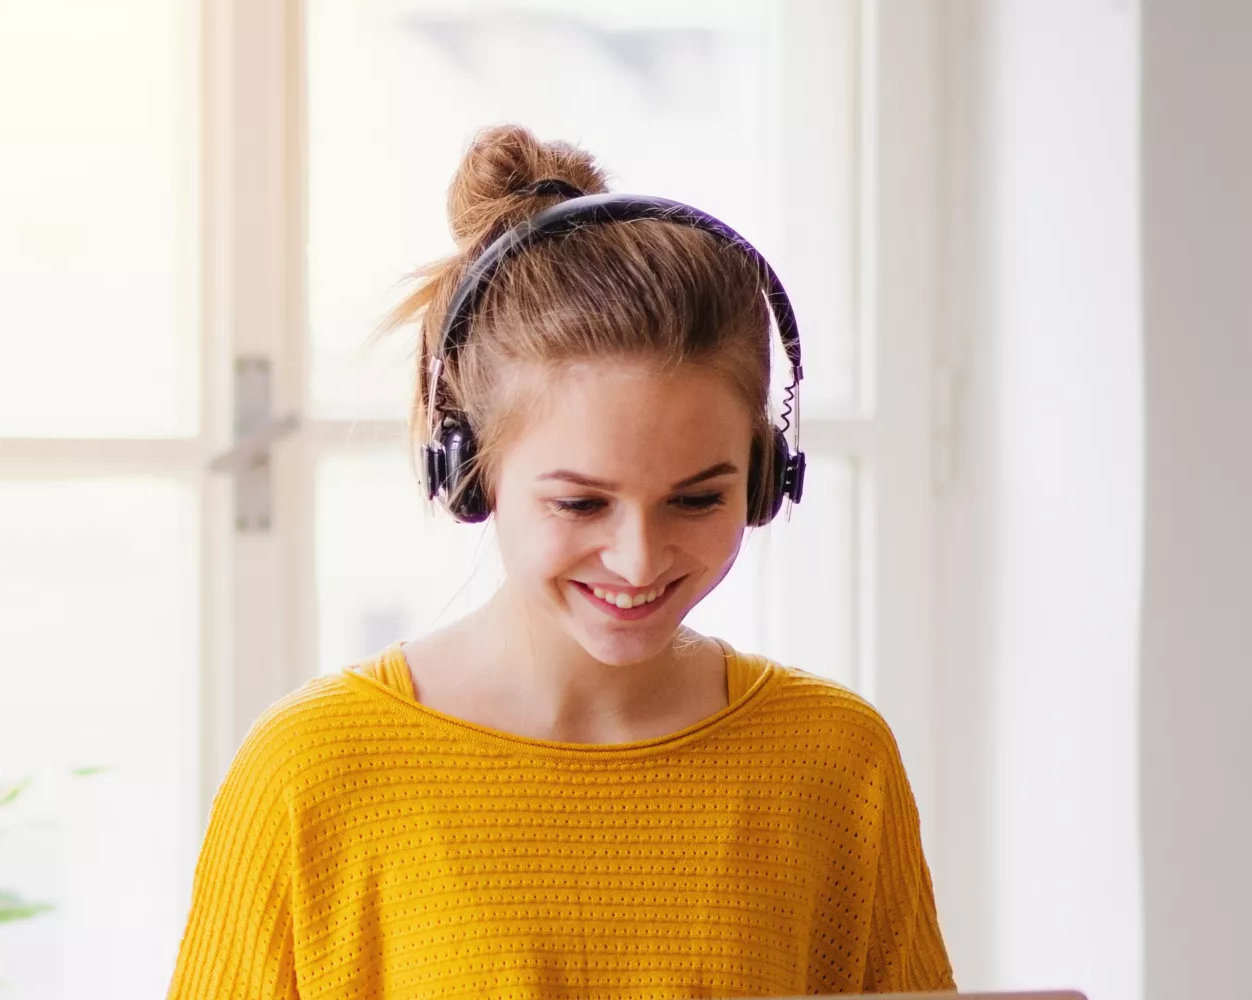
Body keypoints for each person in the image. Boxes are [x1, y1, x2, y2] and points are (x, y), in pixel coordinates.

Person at [166, 125, 953, 999]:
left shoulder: (837, 763)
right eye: (580, 502)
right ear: (470, 470)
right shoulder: (308, 773)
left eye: (697, 499)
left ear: (767, 478)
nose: (638, 556)